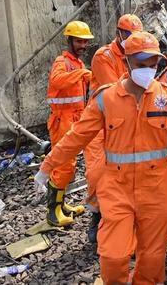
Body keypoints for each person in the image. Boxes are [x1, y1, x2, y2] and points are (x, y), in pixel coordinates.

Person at [35, 31, 167, 284]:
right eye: (140, 64)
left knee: (152, 259)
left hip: (158, 191)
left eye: (152, 65)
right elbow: (76, 137)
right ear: (126, 62)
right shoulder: (106, 99)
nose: (147, 70)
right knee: (112, 256)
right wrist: (47, 167)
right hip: (117, 189)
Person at [85, 13, 143, 242]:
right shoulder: (104, 56)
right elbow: (116, 92)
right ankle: (97, 217)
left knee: (128, 172)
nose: (131, 40)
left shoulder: (136, 54)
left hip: (124, 122)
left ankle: (126, 220)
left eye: (135, 36)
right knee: (97, 173)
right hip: (100, 124)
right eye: (128, 35)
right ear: (119, 34)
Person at [43, 21, 93, 226]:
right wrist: (83, 74)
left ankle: (61, 205)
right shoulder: (62, 62)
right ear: (70, 40)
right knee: (62, 165)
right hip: (62, 120)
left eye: (85, 42)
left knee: (70, 166)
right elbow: (57, 82)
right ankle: (53, 212)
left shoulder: (78, 64)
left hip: (75, 119)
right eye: (79, 41)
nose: (82, 45)